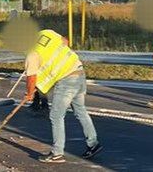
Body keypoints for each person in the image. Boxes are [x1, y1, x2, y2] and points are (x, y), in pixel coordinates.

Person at [24, 29, 102, 164]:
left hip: (66, 80)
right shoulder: (46, 34)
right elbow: (65, 41)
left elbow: (31, 78)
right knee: (80, 111)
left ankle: (57, 153)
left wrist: (30, 94)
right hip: (78, 71)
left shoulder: (32, 54)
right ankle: (93, 143)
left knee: (56, 116)